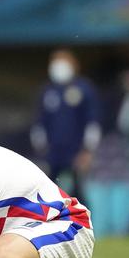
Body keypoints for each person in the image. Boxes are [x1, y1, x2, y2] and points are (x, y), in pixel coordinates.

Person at [31, 48, 101, 207]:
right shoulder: (47, 91)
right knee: (48, 192)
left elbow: (92, 123)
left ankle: (83, 226)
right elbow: (39, 124)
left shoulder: (84, 89)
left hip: (76, 152)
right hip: (52, 153)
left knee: (78, 194)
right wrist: (41, 150)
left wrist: (88, 150)